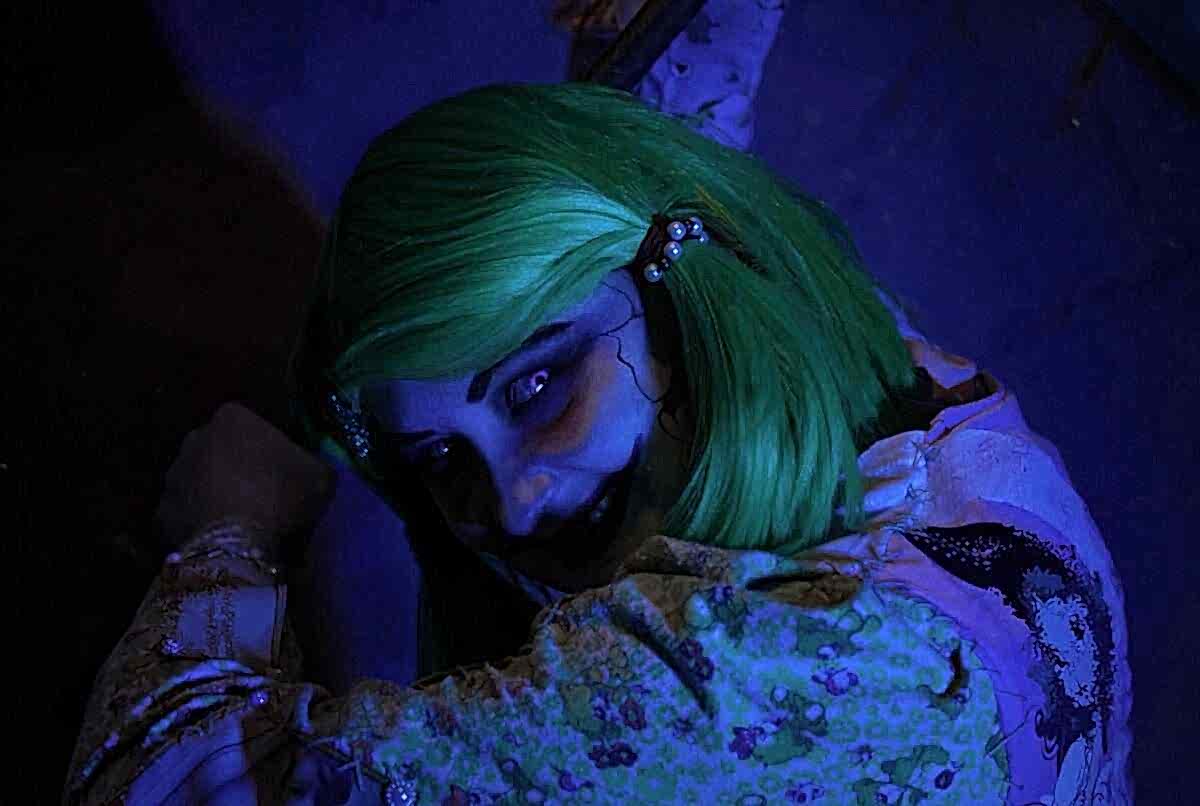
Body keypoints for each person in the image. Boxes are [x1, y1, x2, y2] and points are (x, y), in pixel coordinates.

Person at [64, 80, 1132, 804]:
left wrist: (227, 533)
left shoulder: (725, 682)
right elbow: (663, 148)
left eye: (536, 384)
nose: (513, 503)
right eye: (439, 460)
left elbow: (154, 781)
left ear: (682, 300)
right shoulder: (869, 370)